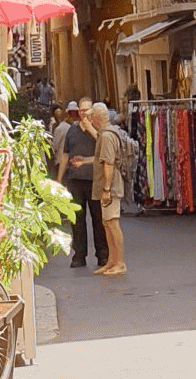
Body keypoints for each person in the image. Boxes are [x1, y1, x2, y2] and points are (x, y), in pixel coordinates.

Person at [58, 96, 107, 269]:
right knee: (77, 220)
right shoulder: (71, 130)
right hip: (75, 180)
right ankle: (79, 255)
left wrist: (91, 129)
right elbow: (65, 155)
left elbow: (103, 149)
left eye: (87, 110)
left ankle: (102, 255)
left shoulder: (99, 130)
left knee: (98, 219)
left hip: (94, 180)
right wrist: (59, 179)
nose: (84, 113)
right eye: (81, 110)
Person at [91, 103, 126, 276]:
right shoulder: (105, 134)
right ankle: (112, 261)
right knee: (107, 223)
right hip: (108, 186)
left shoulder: (106, 137)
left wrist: (106, 188)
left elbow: (108, 163)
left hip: (110, 187)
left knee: (112, 223)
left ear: (98, 117)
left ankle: (120, 263)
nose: (90, 119)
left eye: (92, 115)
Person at [51, 100, 79, 174]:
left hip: (74, 164)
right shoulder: (61, 128)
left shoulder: (79, 127)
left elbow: (54, 147)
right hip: (62, 163)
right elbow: (55, 147)